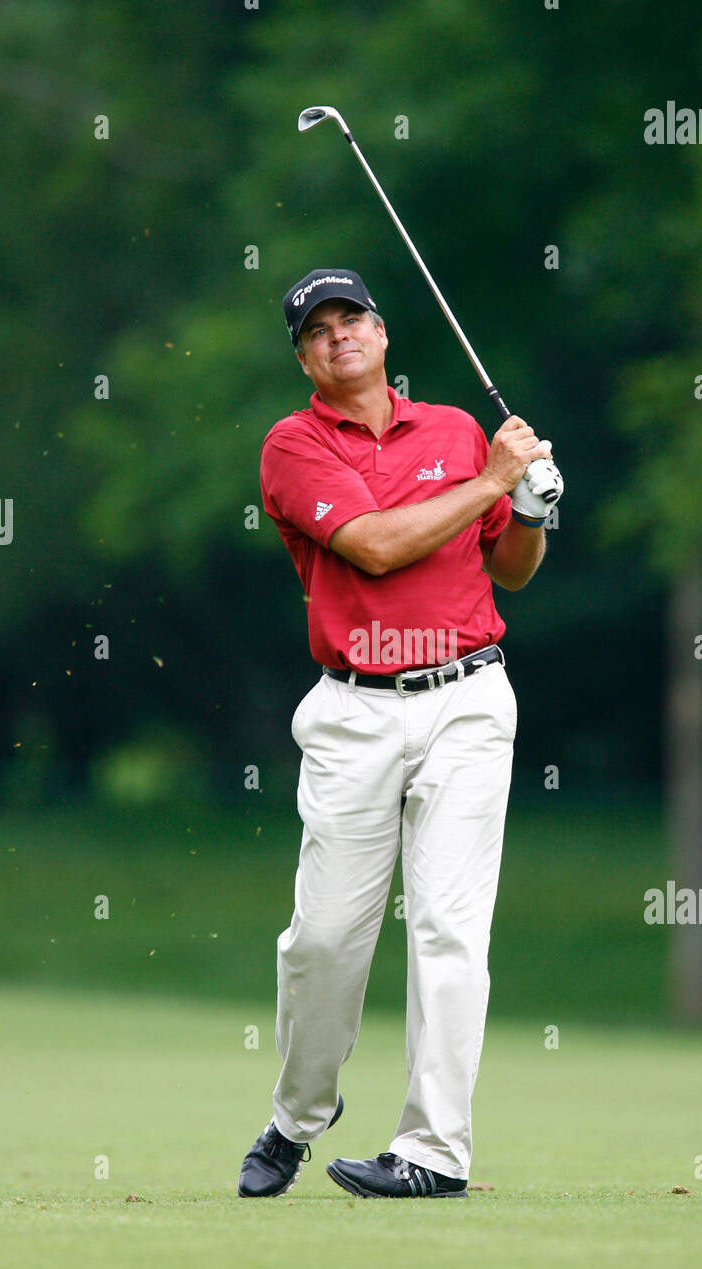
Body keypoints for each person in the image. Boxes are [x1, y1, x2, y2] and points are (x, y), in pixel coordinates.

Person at [238, 267, 562, 1199]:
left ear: (383, 333)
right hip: (355, 709)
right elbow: (376, 546)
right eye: (318, 329)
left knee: (450, 931)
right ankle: (299, 1115)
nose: (340, 334)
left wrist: (532, 506)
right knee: (325, 941)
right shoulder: (293, 445)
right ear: (303, 356)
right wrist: (497, 477)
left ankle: (434, 1153)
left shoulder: (457, 430)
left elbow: (512, 568)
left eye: (354, 318)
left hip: (467, 699)